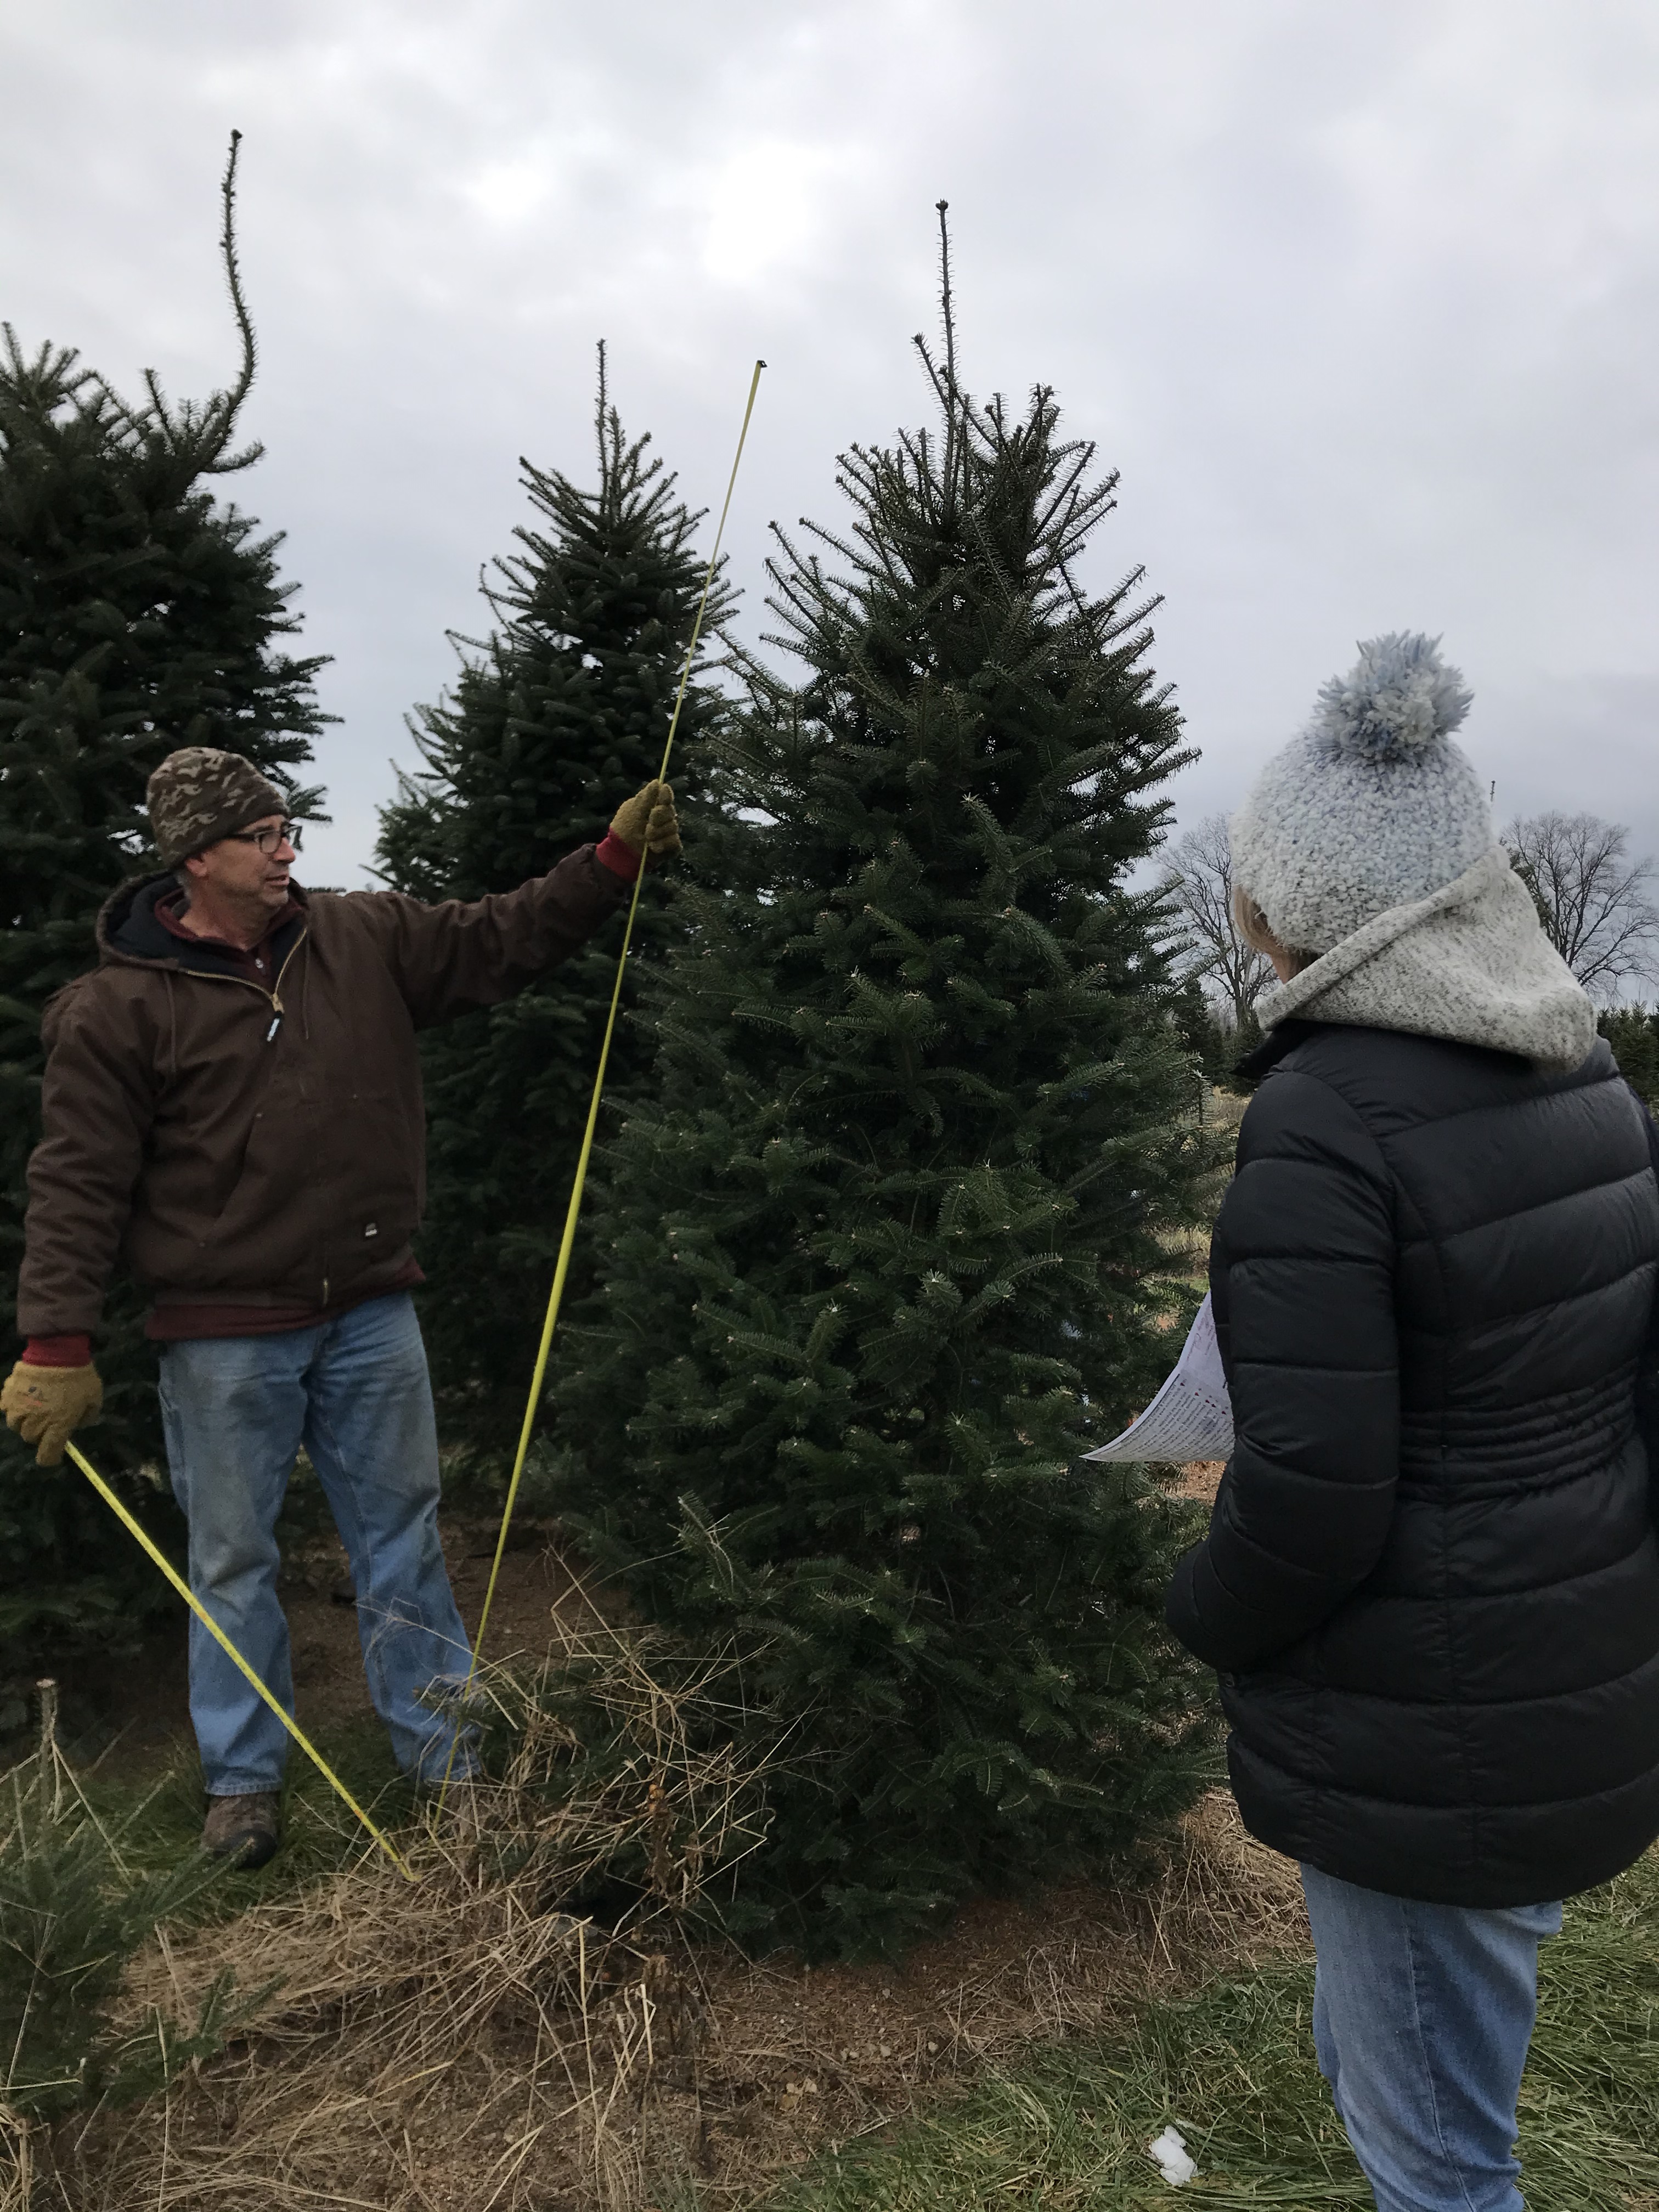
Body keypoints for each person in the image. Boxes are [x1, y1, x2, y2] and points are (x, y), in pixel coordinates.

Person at [1165, 634, 1659, 2212]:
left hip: (1429, 1720)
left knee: (1441, 2164)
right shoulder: (1581, 1076)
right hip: (1561, 1681)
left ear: (1307, 909)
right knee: (1411, 2052)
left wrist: (1201, 1608)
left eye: (1252, 886)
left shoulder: (1326, 1116)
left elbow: (1313, 1494)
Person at [2, 746, 681, 1867]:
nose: (287, 852)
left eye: (288, 831)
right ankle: (243, 1784)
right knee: (231, 1560)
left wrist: (609, 861)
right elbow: (77, 1178)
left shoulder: (360, 939)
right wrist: (57, 1338)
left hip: (371, 1312)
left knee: (403, 1539)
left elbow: (498, 937)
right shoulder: (117, 1007)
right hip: (222, 1336)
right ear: (197, 857)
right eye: (264, 836)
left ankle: (447, 1762)